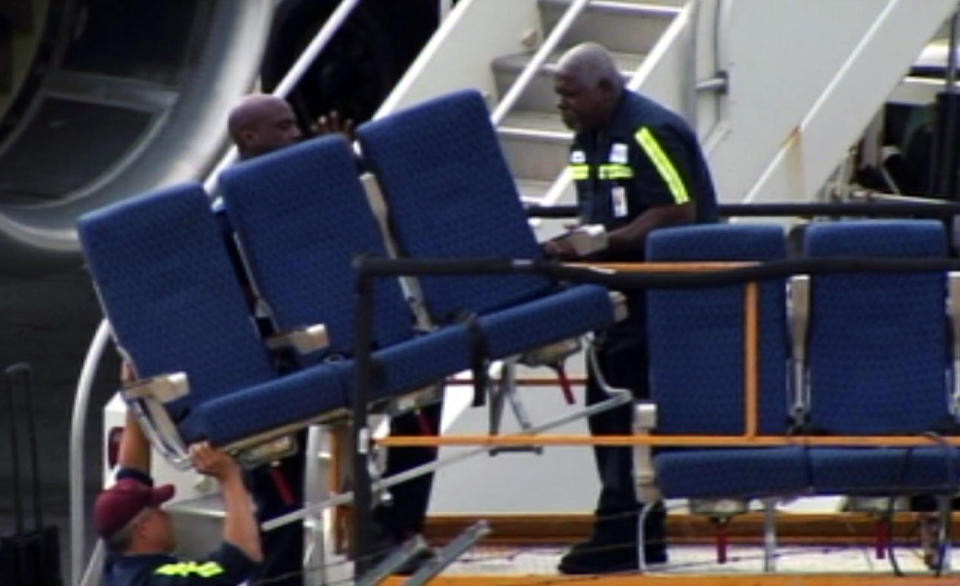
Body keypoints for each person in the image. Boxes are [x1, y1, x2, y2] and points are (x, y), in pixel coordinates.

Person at [222, 94, 439, 581]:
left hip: (351, 336)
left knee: (424, 387)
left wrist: (337, 162)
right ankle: (280, 575)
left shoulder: (314, 183)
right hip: (281, 355)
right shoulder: (227, 216)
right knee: (275, 449)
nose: (296, 135)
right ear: (248, 138)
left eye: (296, 125)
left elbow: (370, 207)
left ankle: (394, 528)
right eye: (283, 128)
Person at [545, 42, 718, 575]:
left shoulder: (649, 131)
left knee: (627, 407)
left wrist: (604, 243)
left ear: (606, 88)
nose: (563, 106)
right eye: (558, 96)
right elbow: (599, 210)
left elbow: (676, 211)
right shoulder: (587, 138)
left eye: (570, 94)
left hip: (657, 299)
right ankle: (629, 526)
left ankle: (627, 528)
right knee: (607, 407)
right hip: (614, 295)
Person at [96, 366, 262, 585]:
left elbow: (132, 469)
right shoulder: (161, 583)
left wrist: (134, 394)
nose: (167, 515)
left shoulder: (120, 562)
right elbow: (241, 559)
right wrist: (229, 478)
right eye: (157, 510)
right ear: (143, 529)